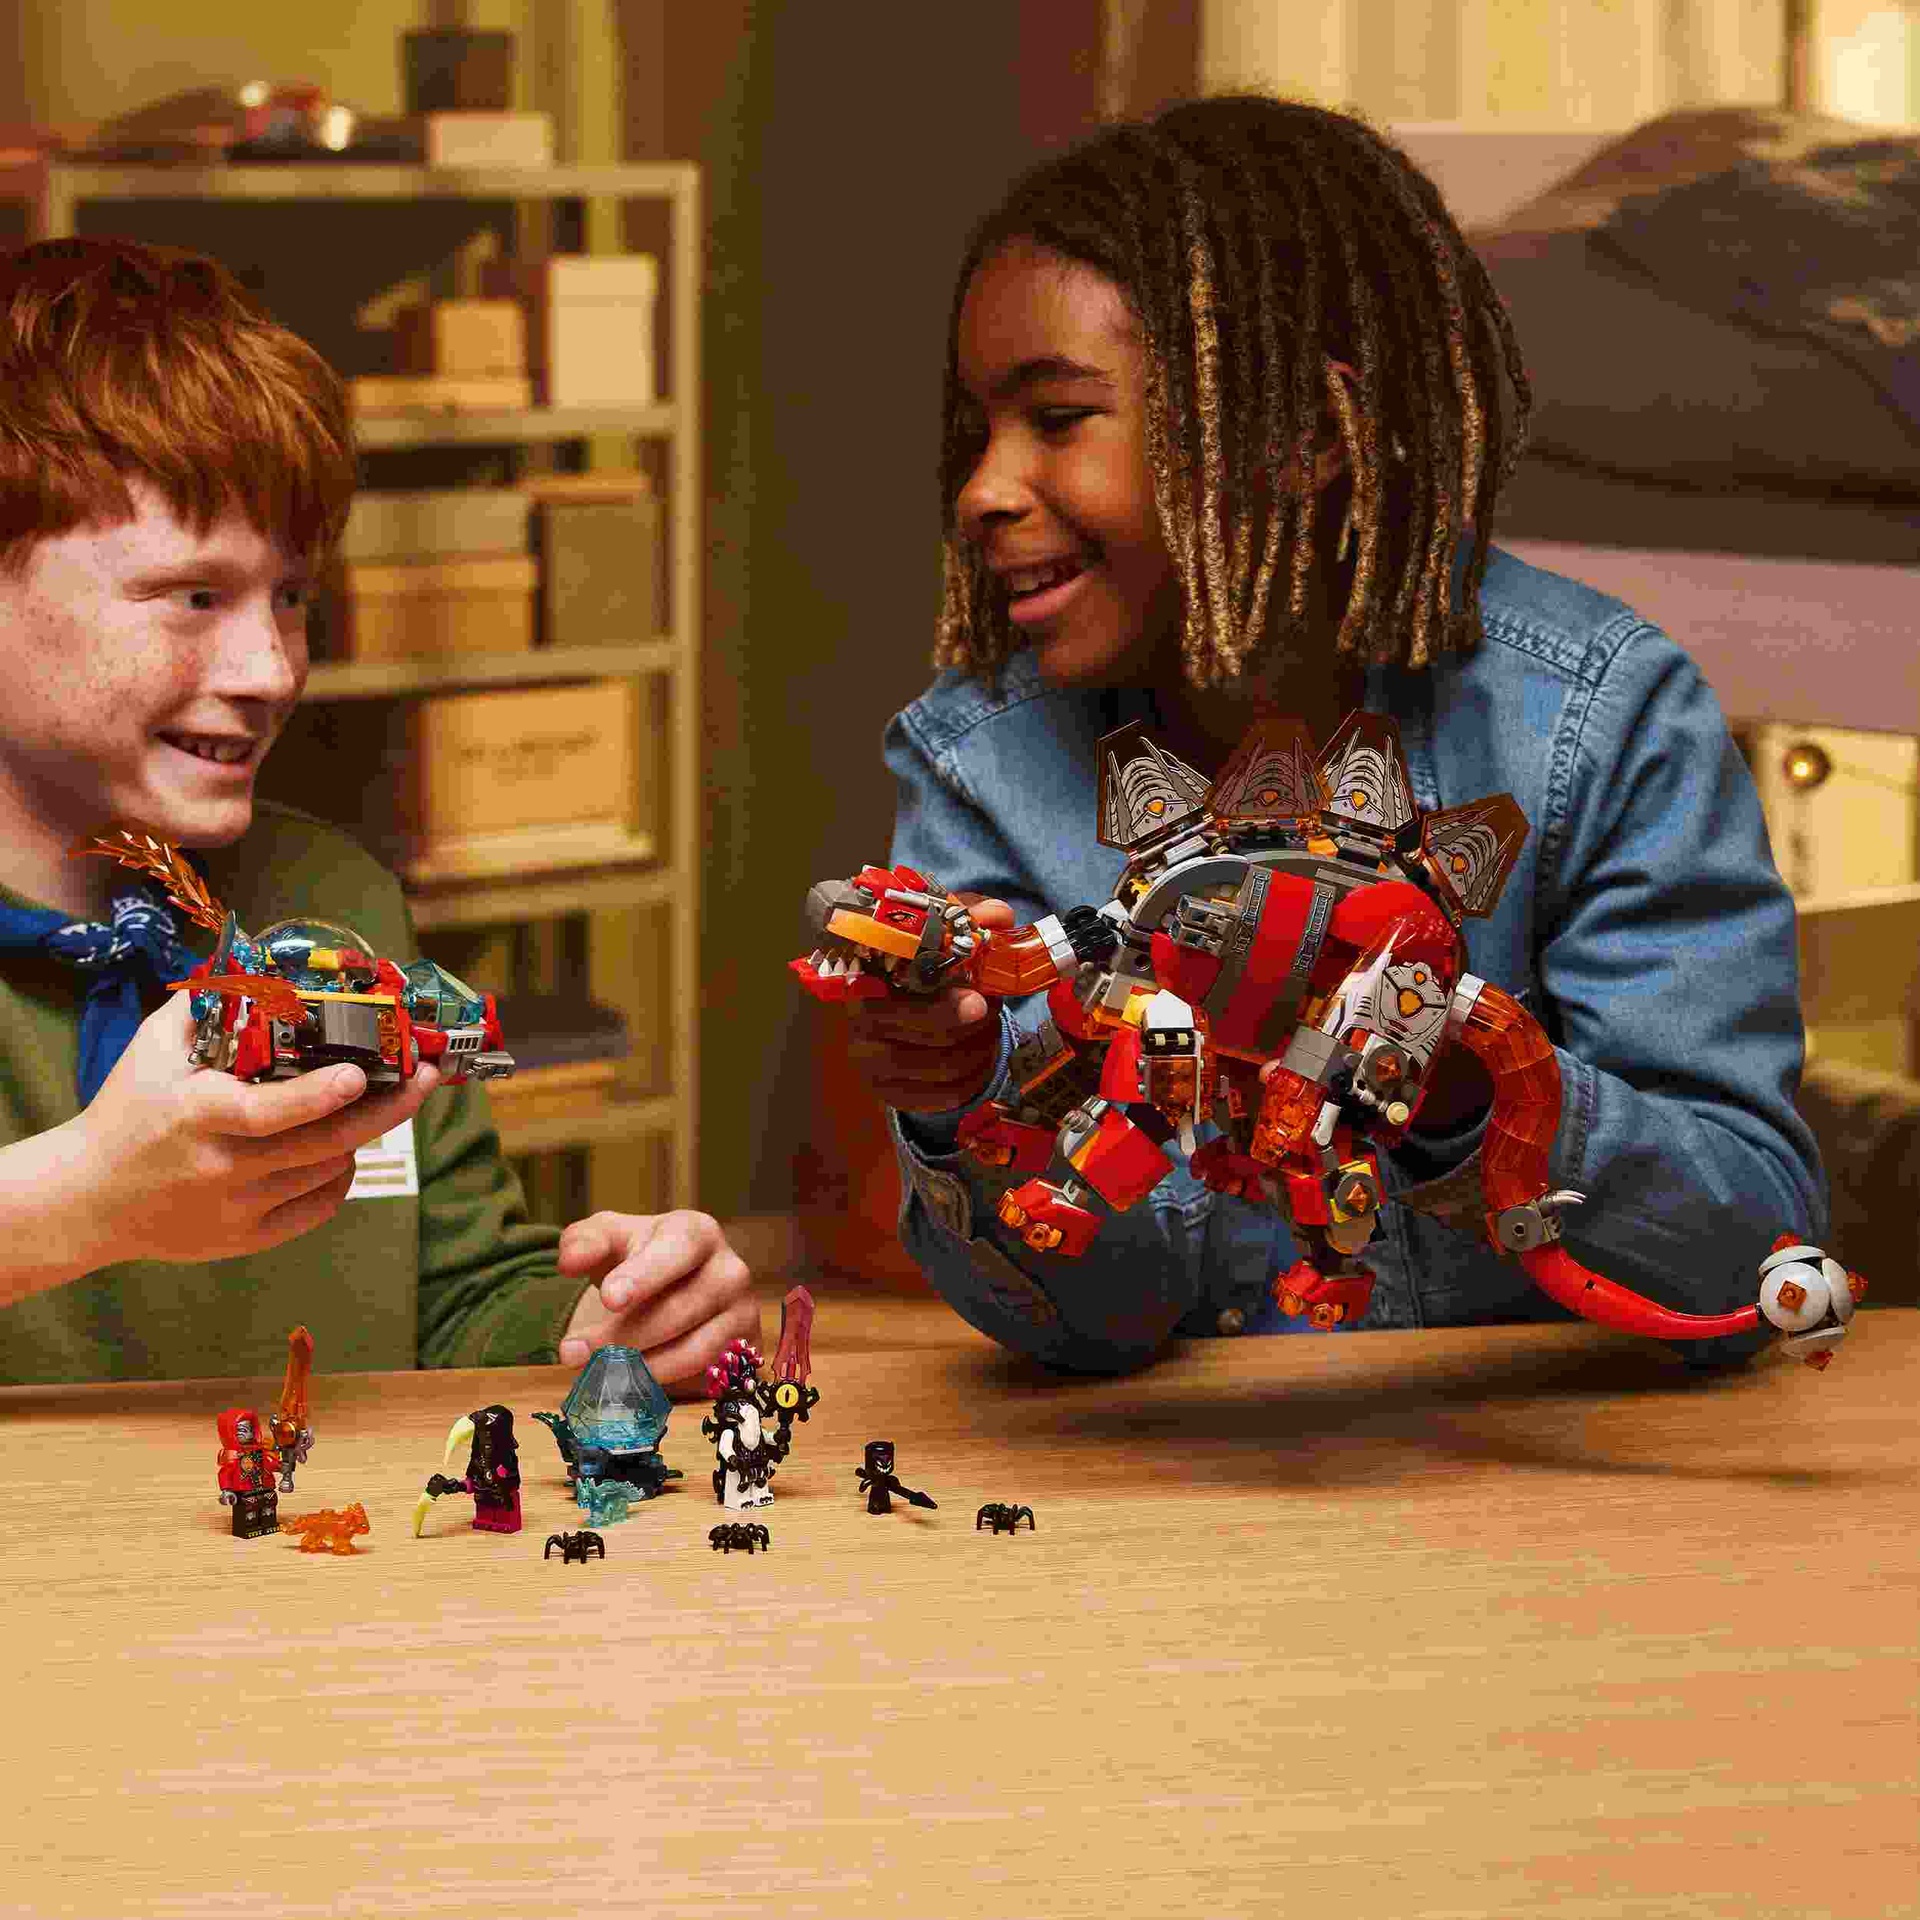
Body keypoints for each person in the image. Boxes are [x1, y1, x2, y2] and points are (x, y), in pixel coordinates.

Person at [833, 96, 1826, 1374]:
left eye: (1060, 418)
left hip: (1552, 1460)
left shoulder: (1601, 720)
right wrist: (966, 1102)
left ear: (1300, 435)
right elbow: (1095, 1325)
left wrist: (1459, 1084)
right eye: (978, 430)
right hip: (1182, 1477)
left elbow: (1752, 1251)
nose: (981, 488)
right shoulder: (979, 763)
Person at [0, 236, 756, 1388]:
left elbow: (446, 1300)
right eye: (194, 596)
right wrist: (82, 1200)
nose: (270, 669)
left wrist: (611, 1326)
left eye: (290, 597)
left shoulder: (335, 904)